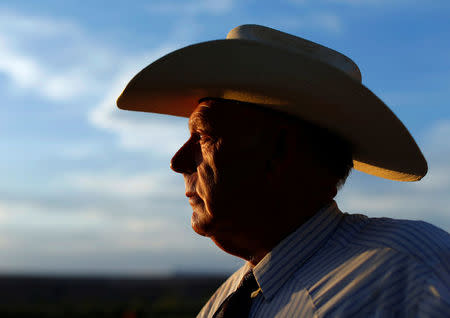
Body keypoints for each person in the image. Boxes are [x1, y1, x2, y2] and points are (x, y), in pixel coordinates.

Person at [117, 25, 450, 317]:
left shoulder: (413, 273)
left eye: (203, 136)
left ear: (278, 152)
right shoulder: (222, 304)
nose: (178, 162)